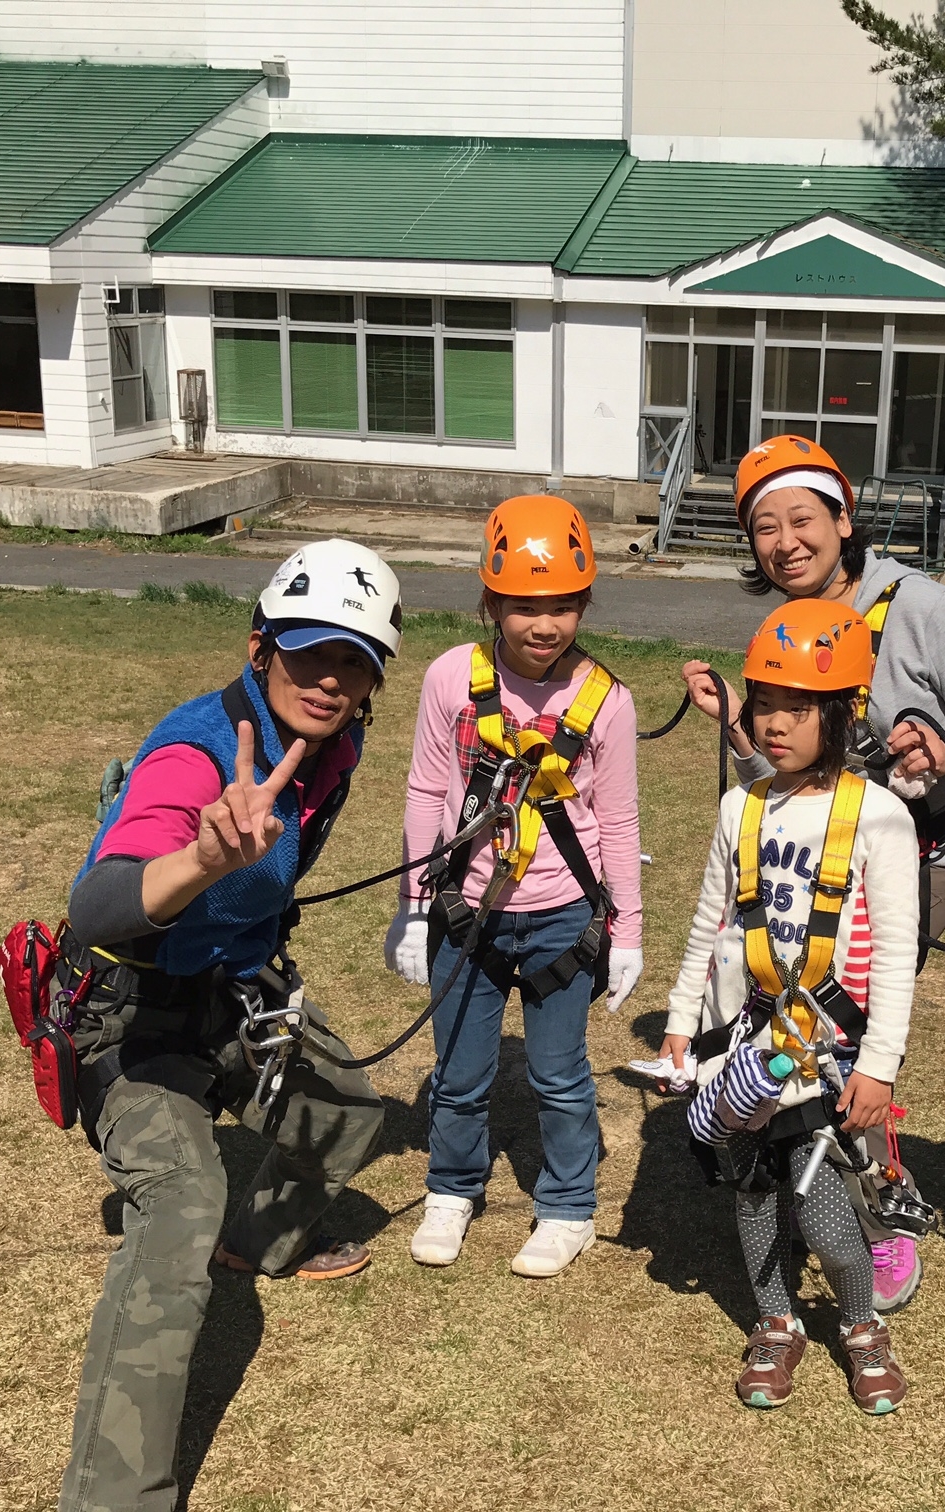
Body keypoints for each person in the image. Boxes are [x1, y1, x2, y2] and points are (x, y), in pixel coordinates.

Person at [55, 539, 403, 1512]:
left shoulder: (337, 748)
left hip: (234, 1000)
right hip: (132, 1023)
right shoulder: (197, 750)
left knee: (346, 1113)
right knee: (178, 1210)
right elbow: (99, 907)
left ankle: (262, 1244)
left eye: (354, 663)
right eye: (309, 653)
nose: (329, 680)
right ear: (261, 647)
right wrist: (203, 860)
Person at [679, 432, 945, 1313]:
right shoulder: (782, 627)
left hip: (922, 852)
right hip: (819, 865)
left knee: (850, 1022)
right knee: (810, 1018)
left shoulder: (918, 604)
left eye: (803, 519)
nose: (785, 542)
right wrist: (736, 723)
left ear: (843, 519)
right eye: (764, 527)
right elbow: (783, 782)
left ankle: (878, 1213)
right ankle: (799, 1169)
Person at [660, 599, 919, 1415]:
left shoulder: (880, 815)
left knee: (823, 1209)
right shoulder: (743, 805)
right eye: (763, 702)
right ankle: (776, 1321)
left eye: (797, 708)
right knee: (752, 1193)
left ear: (842, 715)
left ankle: (860, 1323)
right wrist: (677, 1023)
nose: (772, 723)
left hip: (825, 1049)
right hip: (739, 1039)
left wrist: (878, 1065)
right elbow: (709, 918)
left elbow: (900, 956)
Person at [386, 494, 644, 1278]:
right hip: (467, 913)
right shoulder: (450, 679)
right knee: (459, 1075)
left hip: (562, 916)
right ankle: (451, 1191)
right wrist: (412, 907)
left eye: (563, 605)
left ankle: (568, 1208)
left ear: (584, 603)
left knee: (559, 1075)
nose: (544, 624)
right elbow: (428, 792)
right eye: (525, 606)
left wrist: (627, 932)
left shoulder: (607, 701)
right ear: (491, 601)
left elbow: (622, 821)